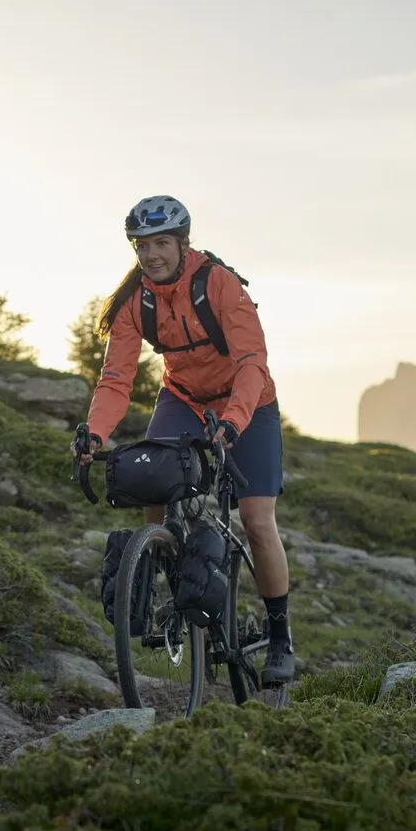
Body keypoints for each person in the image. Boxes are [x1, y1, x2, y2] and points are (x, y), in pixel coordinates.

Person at [73, 195, 295, 685]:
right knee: (151, 484)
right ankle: (175, 583)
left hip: (249, 403)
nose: (151, 255)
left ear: (182, 243)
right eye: (142, 246)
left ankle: (281, 636)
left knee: (258, 521)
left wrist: (233, 422)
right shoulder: (136, 301)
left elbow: (252, 363)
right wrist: (96, 433)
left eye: (161, 244)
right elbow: (116, 379)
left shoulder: (218, 284)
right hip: (184, 399)